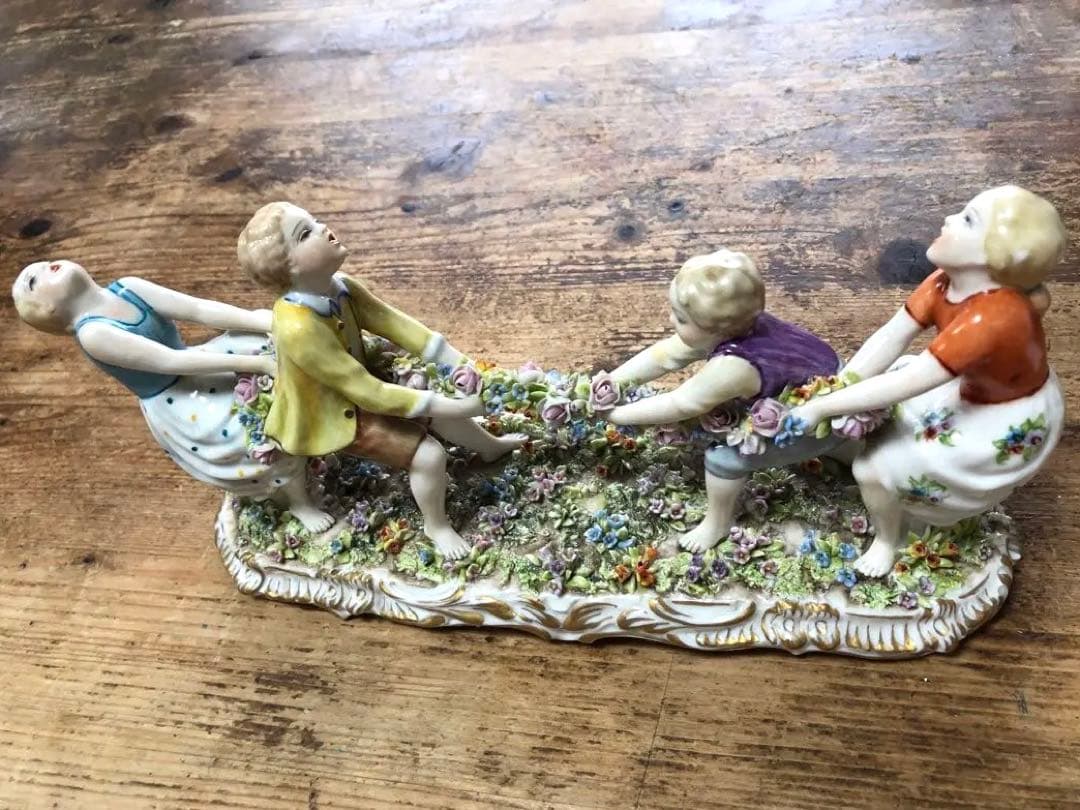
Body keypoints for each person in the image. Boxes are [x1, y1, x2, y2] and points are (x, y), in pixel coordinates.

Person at [789, 185, 1067, 576]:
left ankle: (889, 540)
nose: (948, 219)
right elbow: (892, 335)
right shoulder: (944, 282)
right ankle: (856, 454)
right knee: (882, 408)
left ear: (995, 255)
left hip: (1002, 419)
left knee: (876, 469)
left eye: (967, 220)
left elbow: (912, 382)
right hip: (966, 384)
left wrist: (821, 407)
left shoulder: (992, 318)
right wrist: (839, 386)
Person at [236, 202, 524, 559]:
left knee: (436, 406)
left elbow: (397, 325)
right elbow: (365, 391)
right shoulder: (298, 327)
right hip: (332, 412)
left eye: (315, 219)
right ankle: (436, 527)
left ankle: (489, 447)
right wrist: (461, 405)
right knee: (429, 456)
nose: (324, 227)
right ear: (289, 267)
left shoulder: (341, 287)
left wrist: (463, 364)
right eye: (305, 233)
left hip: (365, 386)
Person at [11, 259, 333, 530]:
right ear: (49, 310)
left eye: (42, 264)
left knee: (282, 358)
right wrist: (256, 364)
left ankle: (323, 440)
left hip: (201, 361)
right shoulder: (94, 334)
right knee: (261, 437)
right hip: (181, 398)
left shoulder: (128, 287)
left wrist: (258, 320)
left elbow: (197, 308)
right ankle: (299, 502)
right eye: (33, 282)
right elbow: (170, 361)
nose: (45, 267)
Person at [606, 249, 843, 552]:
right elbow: (665, 355)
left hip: (821, 419)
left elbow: (683, 403)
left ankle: (717, 523)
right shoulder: (744, 324)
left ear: (716, 329)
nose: (670, 319)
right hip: (831, 384)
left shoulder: (735, 366)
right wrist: (613, 381)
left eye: (680, 318)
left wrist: (618, 415)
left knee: (724, 459)